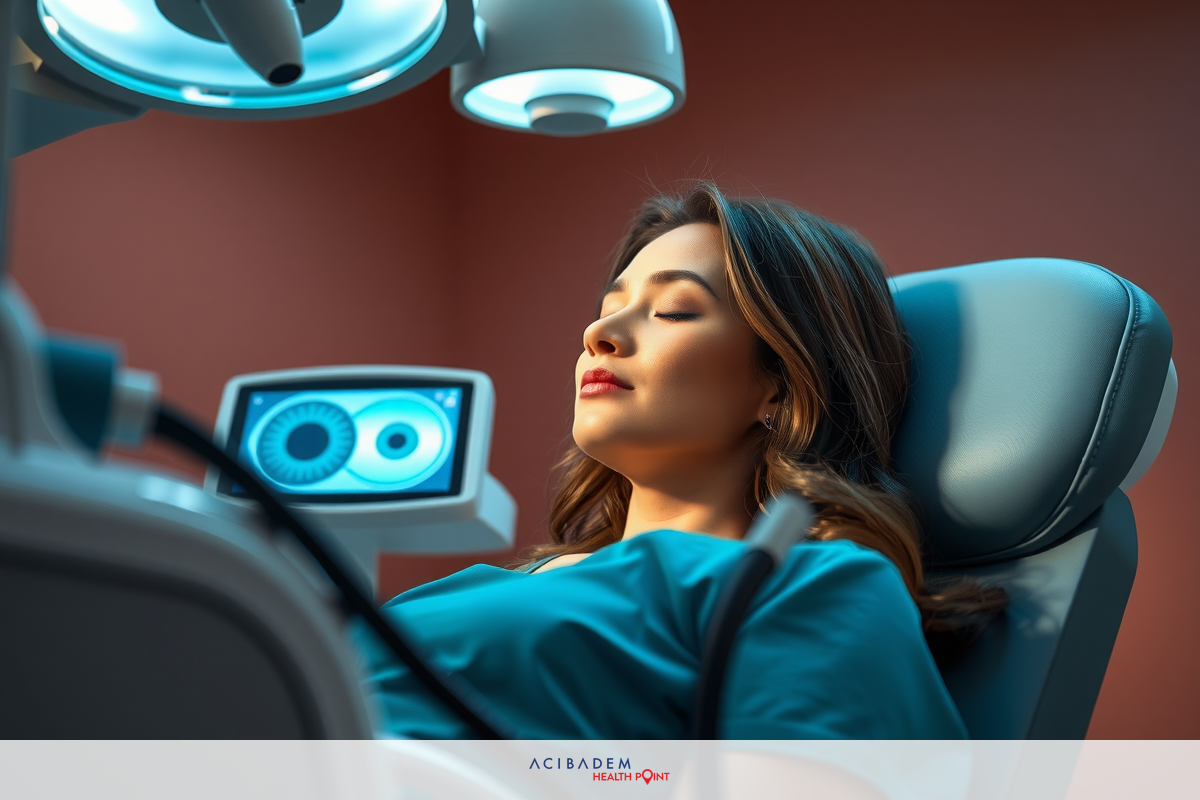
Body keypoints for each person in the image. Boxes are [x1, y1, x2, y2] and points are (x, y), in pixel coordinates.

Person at [360, 183, 1006, 740]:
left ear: (780, 383)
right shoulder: (479, 584)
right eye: (608, 309)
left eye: (675, 309)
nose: (597, 335)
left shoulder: (807, 585)